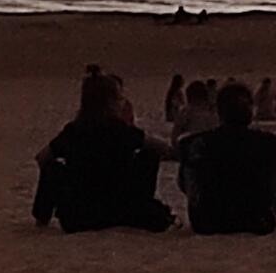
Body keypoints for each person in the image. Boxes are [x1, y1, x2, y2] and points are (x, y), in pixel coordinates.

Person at [33, 71, 174, 232]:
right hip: (119, 209)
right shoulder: (120, 130)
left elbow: (42, 157)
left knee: (52, 167)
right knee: (148, 156)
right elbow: (161, 148)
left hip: (78, 215)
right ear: (109, 102)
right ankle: (140, 203)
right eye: (119, 98)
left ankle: (41, 219)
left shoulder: (73, 131)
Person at [178, 82, 276, 235]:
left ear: (219, 112)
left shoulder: (194, 144)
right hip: (258, 221)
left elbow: (185, 186)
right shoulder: (274, 144)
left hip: (207, 222)